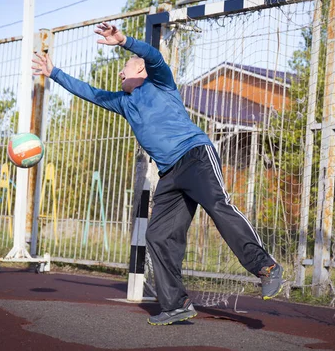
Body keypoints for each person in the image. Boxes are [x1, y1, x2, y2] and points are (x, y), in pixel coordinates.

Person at [32, 22, 284, 326]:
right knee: (158, 235)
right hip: (170, 174)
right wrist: (54, 72)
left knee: (219, 208)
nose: (120, 74)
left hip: (195, 156)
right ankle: (176, 304)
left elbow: (152, 55)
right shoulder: (124, 103)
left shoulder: (160, 82)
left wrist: (123, 40)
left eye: (125, 68)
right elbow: (89, 93)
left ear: (141, 72)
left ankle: (266, 267)